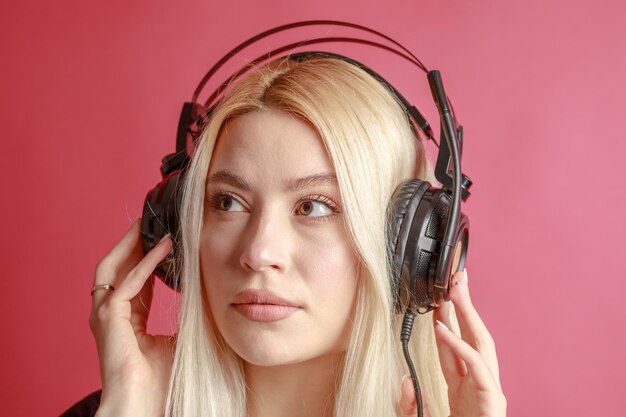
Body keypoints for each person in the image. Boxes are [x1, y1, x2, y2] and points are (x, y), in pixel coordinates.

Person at [79, 56, 506, 417]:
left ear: (412, 253)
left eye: (313, 207)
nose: (259, 253)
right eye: (228, 202)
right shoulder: (119, 407)